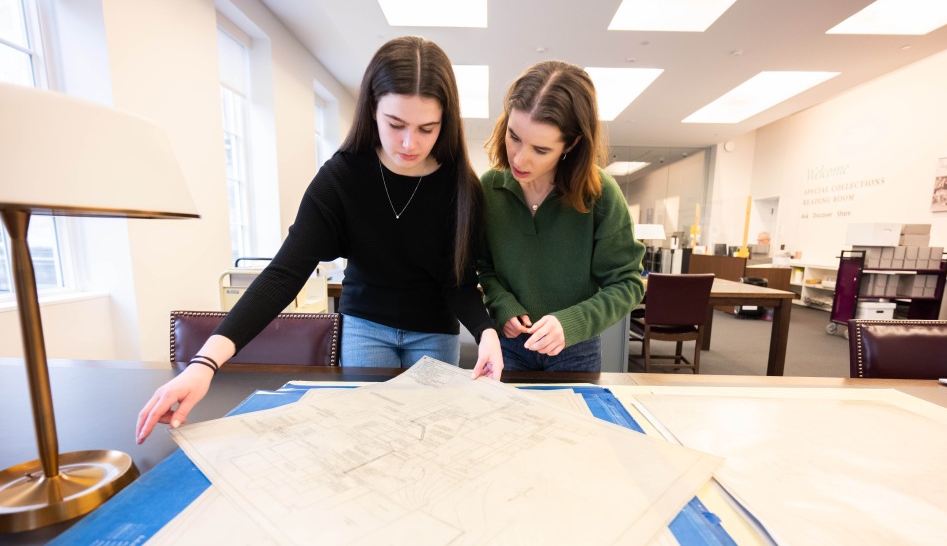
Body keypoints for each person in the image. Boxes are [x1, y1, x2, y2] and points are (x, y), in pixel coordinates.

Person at [137, 36, 503, 444]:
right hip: (366, 326)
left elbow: (457, 280)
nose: (408, 144)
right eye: (395, 124)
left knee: (431, 436)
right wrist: (204, 363)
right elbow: (284, 272)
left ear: (446, 121)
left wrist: (486, 332)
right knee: (369, 437)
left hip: (435, 331)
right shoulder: (341, 178)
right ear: (372, 110)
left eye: (426, 129)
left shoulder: (460, 186)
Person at [472, 61, 645, 373]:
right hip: (510, 345)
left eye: (540, 149)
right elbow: (484, 268)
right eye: (514, 136)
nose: (519, 158)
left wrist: (572, 323)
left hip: (575, 348)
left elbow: (627, 283)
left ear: (571, 144)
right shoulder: (488, 189)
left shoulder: (600, 192)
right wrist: (502, 305)